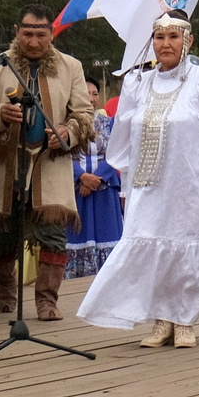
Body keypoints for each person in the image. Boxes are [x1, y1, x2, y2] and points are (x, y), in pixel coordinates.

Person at [77, 9, 199, 346]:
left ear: (188, 40)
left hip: (191, 184)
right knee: (150, 243)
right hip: (149, 185)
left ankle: (184, 319)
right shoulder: (139, 85)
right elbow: (124, 139)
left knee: (185, 245)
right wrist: (125, 187)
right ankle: (161, 318)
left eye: (174, 37)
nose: (166, 44)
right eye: (160, 37)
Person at [0, 6, 99, 320]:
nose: (33, 42)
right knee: (1, 236)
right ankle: (6, 284)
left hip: (50, 161)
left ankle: (47, 300)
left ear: (51, 34)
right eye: (27, 34)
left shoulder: (71, 66)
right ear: (17, 31)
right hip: (4, 162)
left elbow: (84, 115)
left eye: (41, 35)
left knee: (53, 235)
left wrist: (67, 132)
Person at [67, 85, 124, 277]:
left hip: (104, 190)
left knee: (107, 236)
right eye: (86, 94)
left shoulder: (109, 123)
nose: (91, 99)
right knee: (76, 233)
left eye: (95, 94)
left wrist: (97, 179)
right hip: (75, 191)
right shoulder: (65, 127)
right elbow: (61, 155)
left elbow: (117, 151)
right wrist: (81, 177)